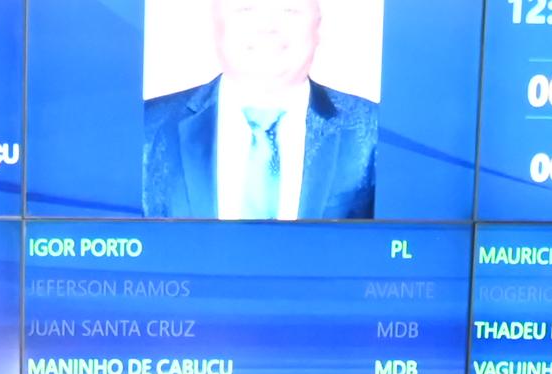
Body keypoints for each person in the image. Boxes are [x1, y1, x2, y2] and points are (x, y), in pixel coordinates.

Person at [142, 0, 379, 220]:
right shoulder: (147, 127)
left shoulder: (374, 131)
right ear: (216, 22)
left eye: (289, 9)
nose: (267, 27)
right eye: (246, 8)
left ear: (318, 25)